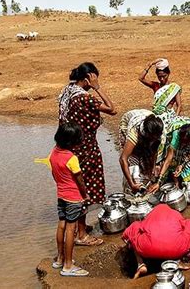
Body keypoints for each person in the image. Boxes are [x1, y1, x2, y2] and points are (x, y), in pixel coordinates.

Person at [58, 62, 116, 246]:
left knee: (74, 187)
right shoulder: (84, 98)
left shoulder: (68, 91)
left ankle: (75, 228)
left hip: (70, 147)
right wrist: (98, 88)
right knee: (85, 189)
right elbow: (112, 109)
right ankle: (81, 235)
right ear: (88, 79)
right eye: (94, 79)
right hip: (85, 149)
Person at [49, 122, 89, 277]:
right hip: (73, 197)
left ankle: (59, 258)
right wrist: (84, 195)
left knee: (61, 225)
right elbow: (79, 180)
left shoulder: (53, 153)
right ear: (72, 141)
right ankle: (68, 265)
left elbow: (54, 174)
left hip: (61, 195)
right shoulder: (72, 158)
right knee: (71, 229)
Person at [122, 204, 190, 279]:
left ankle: (140, 264)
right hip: (177, 249)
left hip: (148, 249)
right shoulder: (175, 214)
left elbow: (127, 233)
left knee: (133, 235)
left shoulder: (149, 217)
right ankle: (181, 259)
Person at [119, 109, 164, 192]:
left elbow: (154, 150)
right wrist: (131, 183)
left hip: (146, 119)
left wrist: (153, 167)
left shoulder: (159, 130)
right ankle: (131, 186)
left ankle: (145, 182)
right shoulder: (134, 132)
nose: (154, 139)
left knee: (147, 157)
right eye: (152, 138)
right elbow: (123, 159)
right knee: (133, 160)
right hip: (128, 121)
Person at [155, 117, 190, 189]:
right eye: (182, 141)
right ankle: (174, 181)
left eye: (185, 142)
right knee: (173, 159)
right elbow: (169, 158)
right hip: (174, 139)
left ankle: (187, 183)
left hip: (188, 145)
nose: (183, 144)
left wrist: (182, 165)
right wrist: (159, 180)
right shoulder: (176, 135)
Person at [139, 58, 182, 128]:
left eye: (164, 76)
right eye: (159, 77)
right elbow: (141, 78)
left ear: (168, 73)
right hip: (157, 117)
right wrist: (150, 65)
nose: (162, 79)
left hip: (169, 117)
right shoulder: (155, 86)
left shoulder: (174, 88)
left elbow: (179, 105)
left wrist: (175, 118)